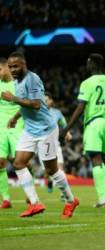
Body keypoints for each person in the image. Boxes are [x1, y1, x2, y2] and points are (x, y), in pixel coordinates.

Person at [1, 51, 79, 218]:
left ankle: (71, 200)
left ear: (24, 65)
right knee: (18, 163)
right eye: (10, 67)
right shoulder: (17, 81)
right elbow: (24, 104)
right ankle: (35, 204)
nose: (13, 69)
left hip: (45, 130)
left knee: (51, 170)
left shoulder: (32, 79)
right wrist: (15, 117)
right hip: (30, 129)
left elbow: (36, 104)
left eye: (16, 66)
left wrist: (12, 99)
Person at [61, 53, 105, 208]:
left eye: (88, 62)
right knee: (100, 159)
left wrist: (66, 128)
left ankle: (102, 199)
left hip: (94, 123)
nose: (87, 65)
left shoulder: (87, 83)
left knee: (95, 159)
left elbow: (81, 107)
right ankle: (103, 197)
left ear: (92, 63)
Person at [0, 57, 23, 209]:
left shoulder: (19, 84)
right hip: (1, 127)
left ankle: (30, 196)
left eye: (0, 69)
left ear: (7, 67)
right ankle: (6, 199)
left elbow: (26, 104)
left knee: (20, 161)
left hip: (17, 126)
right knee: (0, 162)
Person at [41, 92, 72, 193]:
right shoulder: (38, 112)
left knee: (60, 168)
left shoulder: (57, 113)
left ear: (51, 101)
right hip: (42, 145)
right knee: (47, 171)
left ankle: (64, 193)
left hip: (55, 144)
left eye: (46, 100)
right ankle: (49, 181)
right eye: (43, 101)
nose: (44, 103)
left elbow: (64, 124)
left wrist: (67, 133)